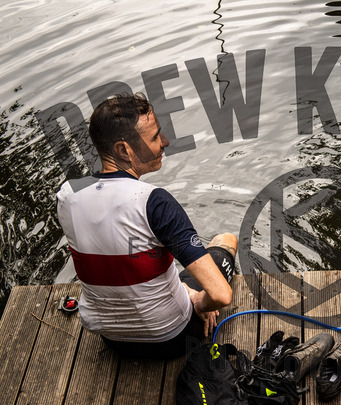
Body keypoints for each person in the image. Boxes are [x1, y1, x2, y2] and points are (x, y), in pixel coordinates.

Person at [56, 93, 236, 358]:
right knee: (226, 241)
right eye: (154, 137)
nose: (165, 142)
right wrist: (198, 300)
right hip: (172, 337)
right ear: (124, 150)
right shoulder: (154, 202)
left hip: (112, 339)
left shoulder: (67, 195)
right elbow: (221, 295)